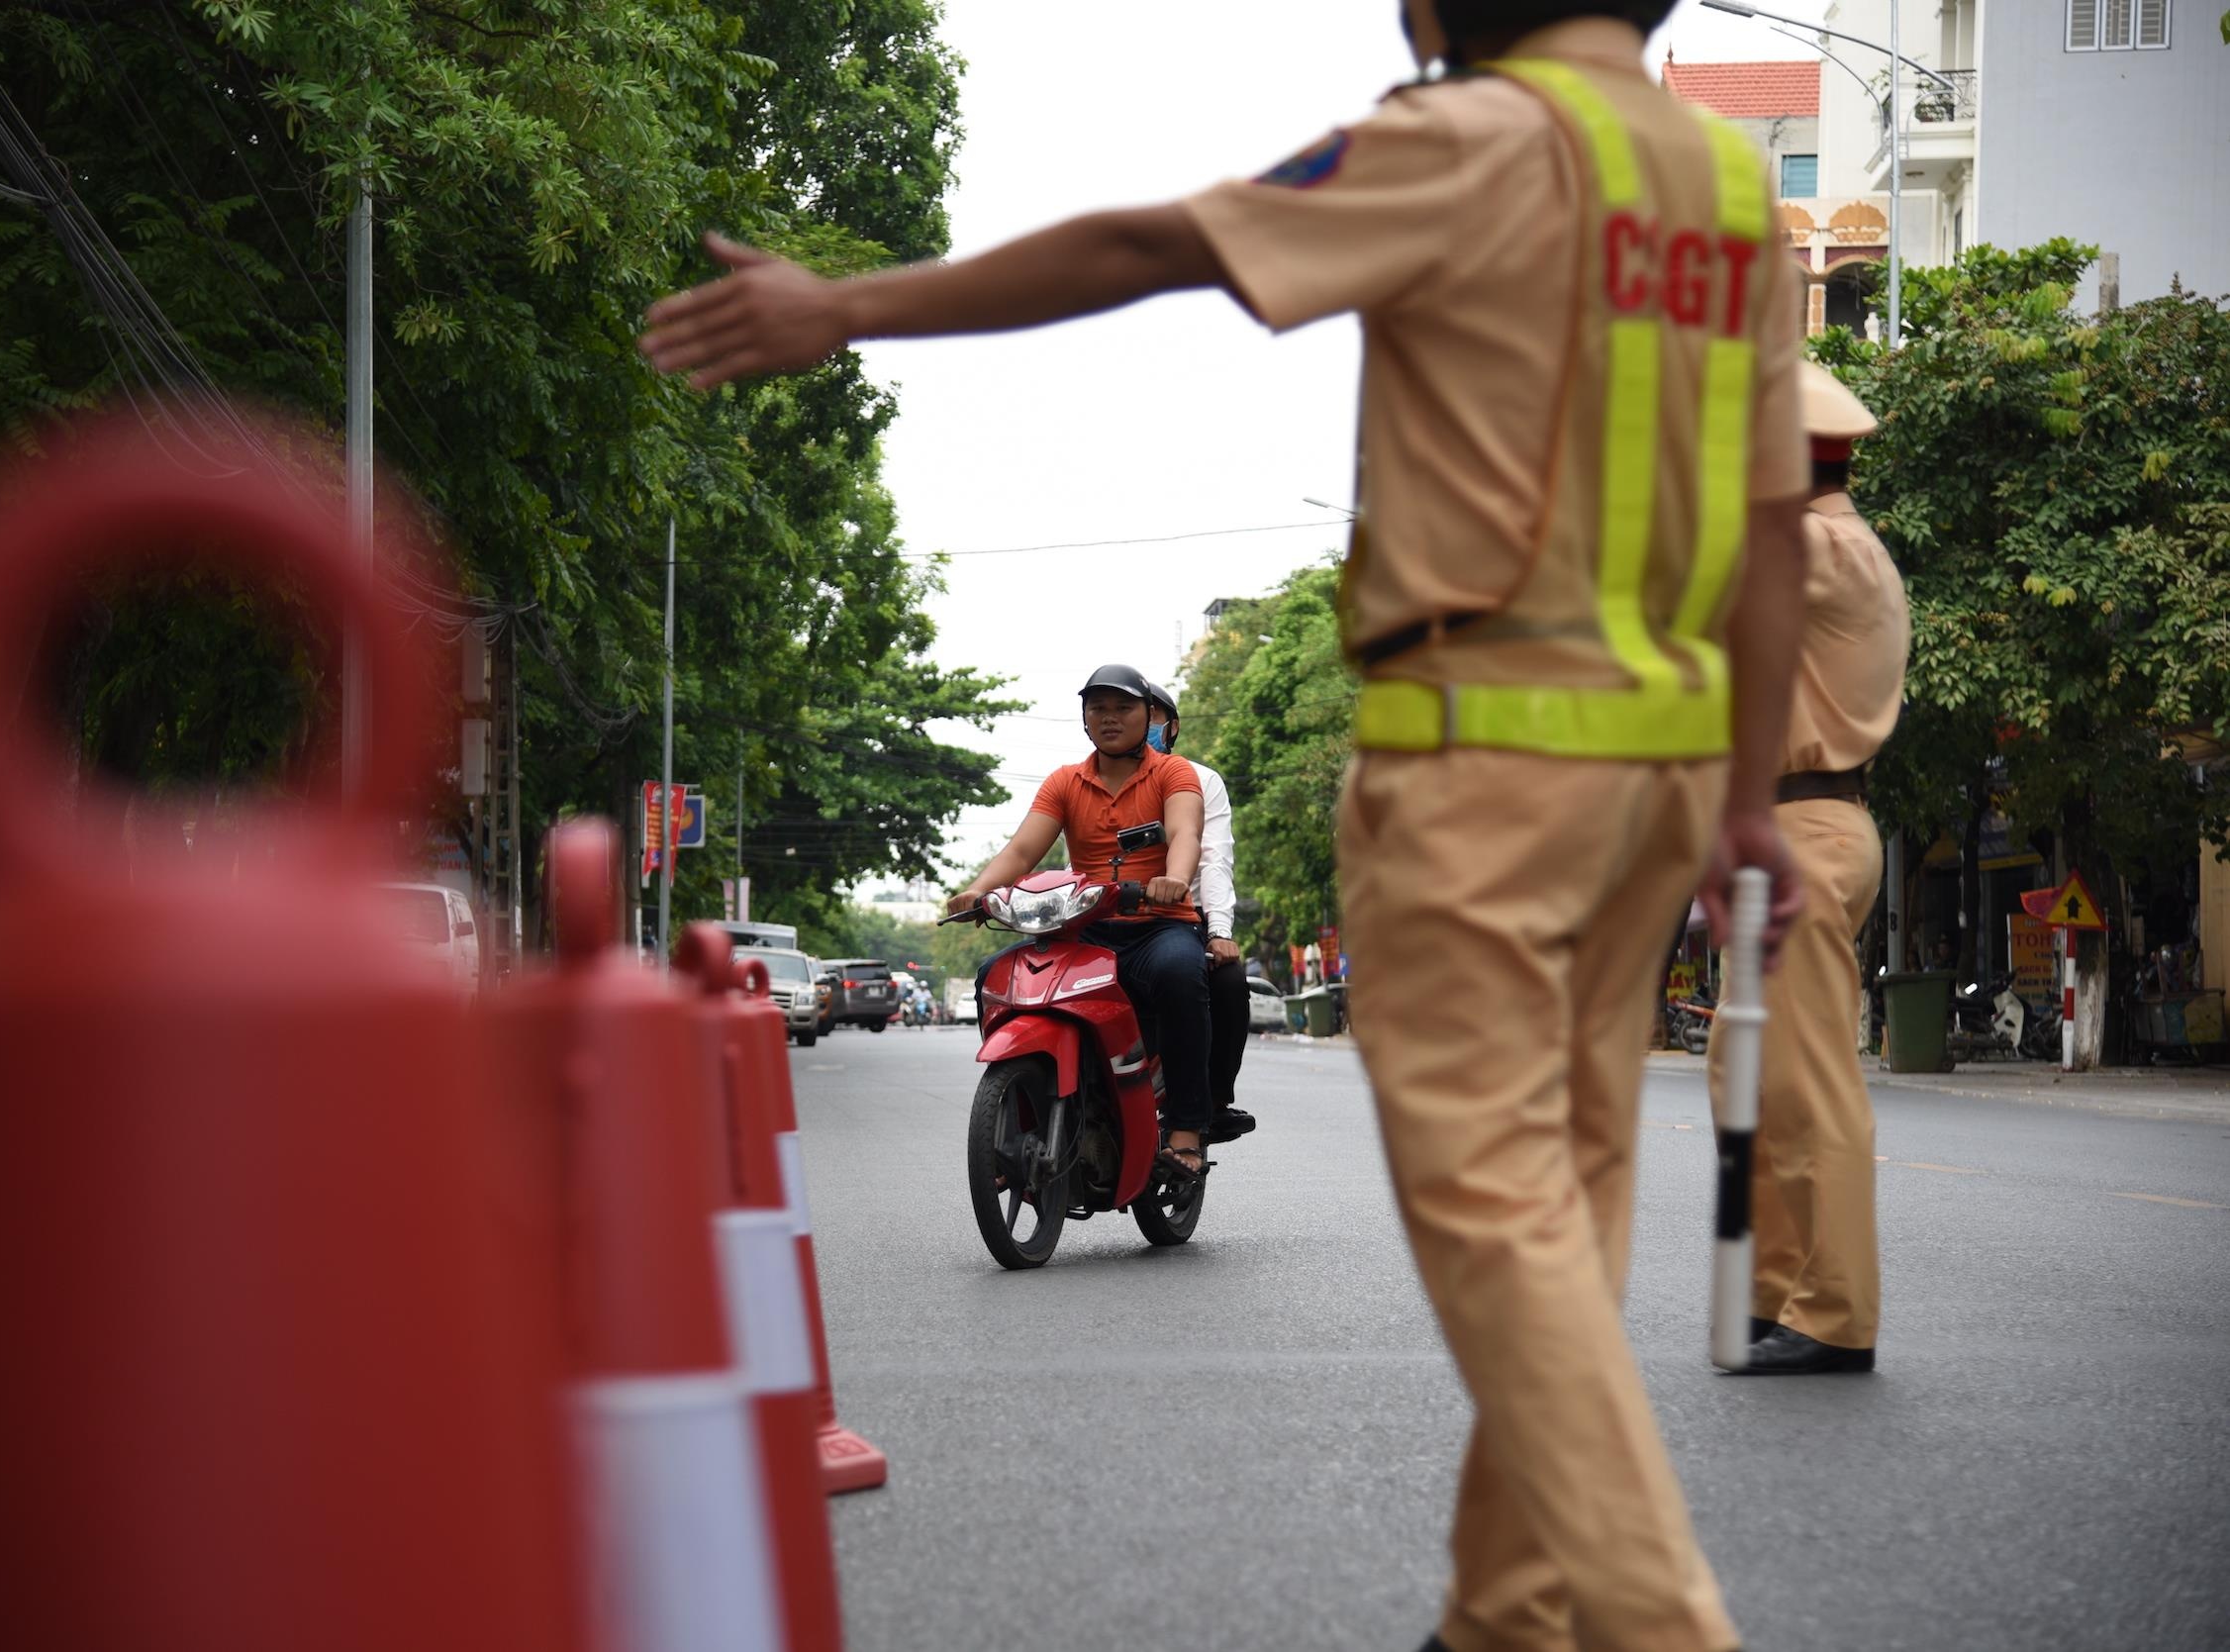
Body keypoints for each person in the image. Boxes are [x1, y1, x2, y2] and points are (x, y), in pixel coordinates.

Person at [636, 2, 1810, 1644]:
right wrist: (1748, 795)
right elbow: (1772, 525)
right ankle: (1511, 1608)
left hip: (1486, 755)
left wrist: (846, 307)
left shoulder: (1464, 137)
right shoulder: (1729, 192)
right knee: (1566, 1211)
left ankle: (1652, 1619)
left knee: (1492, 1208)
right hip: (1665, 772)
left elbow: (1157, 238)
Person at [1707, 363, 1908, 1378]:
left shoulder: (1810, 545)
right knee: (1756, 1077)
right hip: (1800, 824)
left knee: (1806, 1080)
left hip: (1802, 828)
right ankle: (1774, 1292)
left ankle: (1835, 1313)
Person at [957, 665, 1214, 1183]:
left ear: (1148, 716)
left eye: (1122, 708)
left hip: (1157, 924)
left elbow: (1186, 832)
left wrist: (1175, 878)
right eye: (1098, 708)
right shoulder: (1064, 782)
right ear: (1084, 719)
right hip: (1086, 927)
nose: (1110, 718)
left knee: (1181, 976)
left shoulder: (1174, 772)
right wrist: (978, 890)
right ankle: (1021, 1120)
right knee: (995, 975)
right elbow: (1023, 849)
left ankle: (1187, 1126)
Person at [1144, 686, 1256, 1142]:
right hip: (1104, 919)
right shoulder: (1078, 780)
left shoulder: (1197, 780)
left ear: (1171, 726)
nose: (1128, 723)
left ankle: (1209, 1103)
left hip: (1178, 919)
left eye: (1146, 715)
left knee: (1226, 982)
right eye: (1105, 711)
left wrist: (1218, 930)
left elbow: (1212, 861)